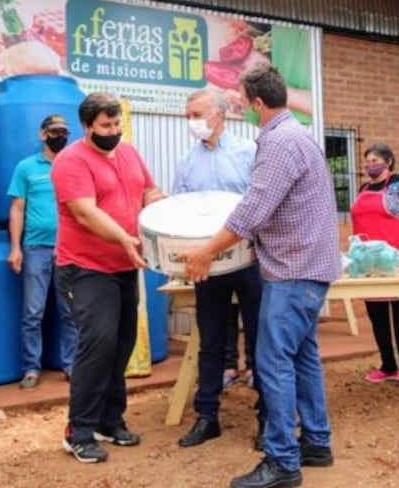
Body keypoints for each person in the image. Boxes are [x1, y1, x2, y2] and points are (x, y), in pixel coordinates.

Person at [182, 64, 339, 488]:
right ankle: (317, 443)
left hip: (292, 270)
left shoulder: (278, 142)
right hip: (306, 267)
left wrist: (205, 251)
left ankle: (283, 461)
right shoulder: (296, 135)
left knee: (271, 362)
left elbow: (253, 210)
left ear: (256, 103)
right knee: (302, 357)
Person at [51, 92, 165, 464]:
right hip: (85, 268)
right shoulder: (71, 161)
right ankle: (78, 431)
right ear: (87, 126)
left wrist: (161, 203)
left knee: (121, 345)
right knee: (97, 345)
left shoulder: (130, 153)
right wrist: (126, 238)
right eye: (105, 126)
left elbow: (147, 190)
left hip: (123, 266)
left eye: (116, 125)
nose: (113, 132)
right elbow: (85, 213)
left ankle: (109, 421)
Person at [171, 88, 265, 449]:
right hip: (206, 265)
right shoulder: (185, 161)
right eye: (187, 115)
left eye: (196, 114)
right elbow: (179, 208)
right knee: (211, 341)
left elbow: (261, 204)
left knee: (261, 341)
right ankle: (207, 416)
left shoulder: (249, 152)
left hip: (250, 260)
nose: (191, 121)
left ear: (219, 114)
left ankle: (267, 417)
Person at [7, 114, 79, 389]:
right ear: (43, 134)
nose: (60, 136)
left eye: (64, 132)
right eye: (55, 131)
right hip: (36, 248)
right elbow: (17, 208)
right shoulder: (26, 167)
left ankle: (71, 365)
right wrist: (15, 248)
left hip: (69, 249)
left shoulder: (73, 165)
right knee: (33, 312)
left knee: (71, 311)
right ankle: (31, 368)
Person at [351, 143, 399, 385]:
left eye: (375, 159)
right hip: (369, 264)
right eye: (367, 160)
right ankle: (388, 365)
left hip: (398, 260)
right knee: (377, 315)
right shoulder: (363, 188)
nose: (370, 164)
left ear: (388, 161)